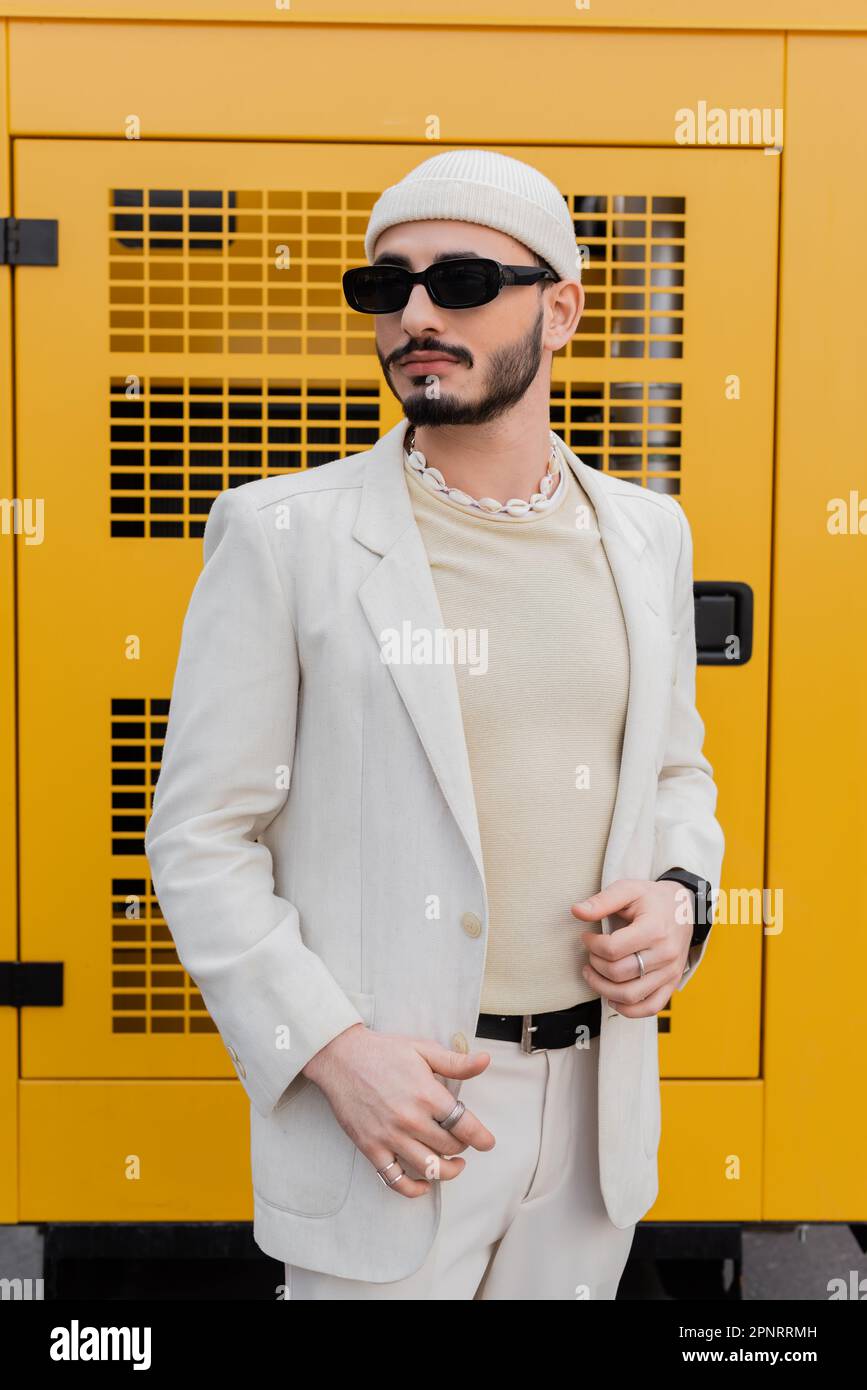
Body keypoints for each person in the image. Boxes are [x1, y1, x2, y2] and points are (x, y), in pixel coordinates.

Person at [144, 148, 723, 1301]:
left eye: (462, 281)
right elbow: (200, 837)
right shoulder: (280, 536)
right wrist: (331, 1052)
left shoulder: (649, 535)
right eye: (385, 286)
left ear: (561, 310)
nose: (415, 313)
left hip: (596, 1118)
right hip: (394, 1118)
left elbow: (672, 769)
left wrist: (681, 895)